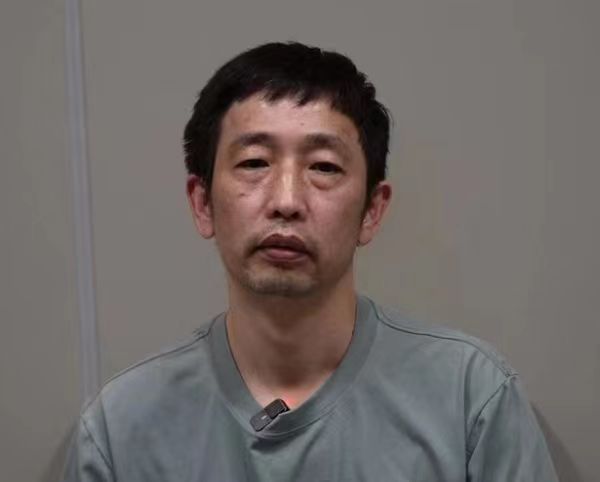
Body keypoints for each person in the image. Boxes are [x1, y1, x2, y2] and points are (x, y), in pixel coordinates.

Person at [62, 42, 558, 481]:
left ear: (372, 210)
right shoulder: (120, 430)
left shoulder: (470, 400)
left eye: (323, 167)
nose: (286, 200)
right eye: (254, 162)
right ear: (202, 202)